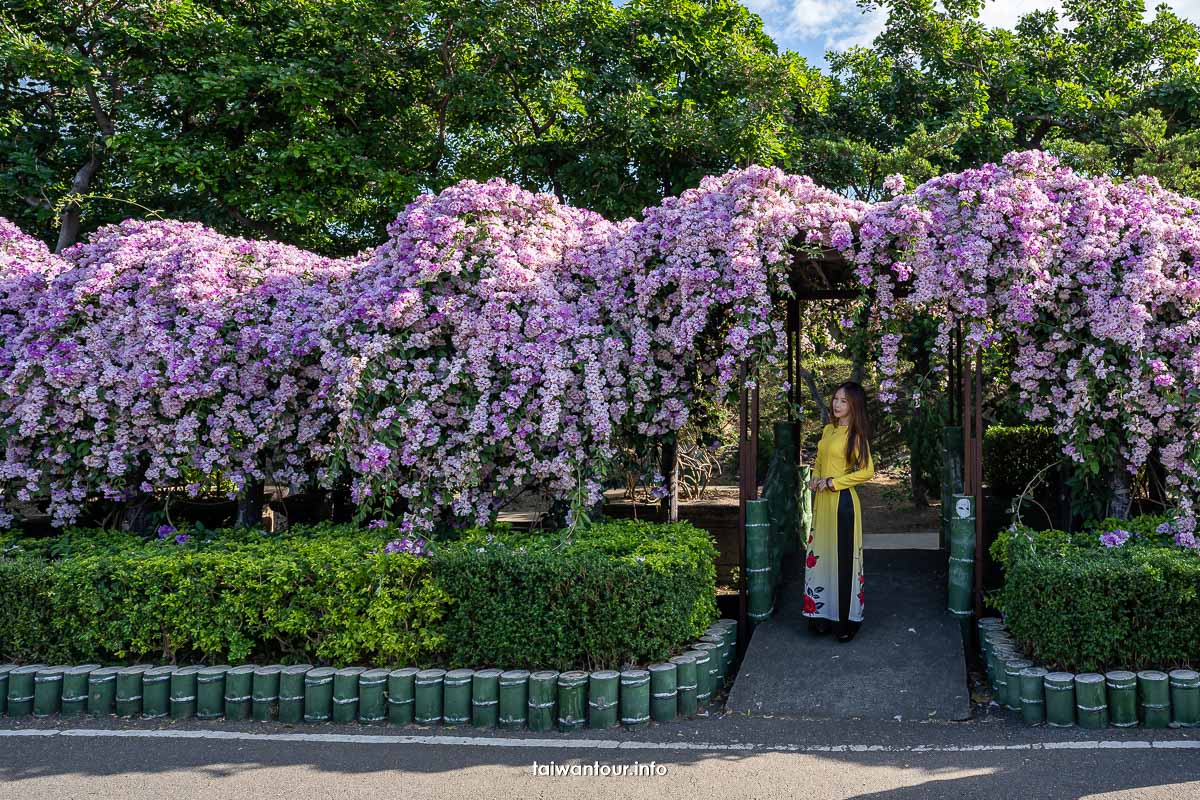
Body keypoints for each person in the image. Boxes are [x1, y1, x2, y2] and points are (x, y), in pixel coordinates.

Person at [802, 381, 875, 642]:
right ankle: (821, 616)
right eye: (835, 399)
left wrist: (833, 482)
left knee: (842, 560)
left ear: (853, 404)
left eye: (843, 400)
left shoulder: (856, 435)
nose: (837, 404)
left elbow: (867, 471)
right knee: (822, 555)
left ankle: (845, 622)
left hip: (843, 503)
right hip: (822, 502)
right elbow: (820, 462)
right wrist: (816, 478)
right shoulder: (828, 430)